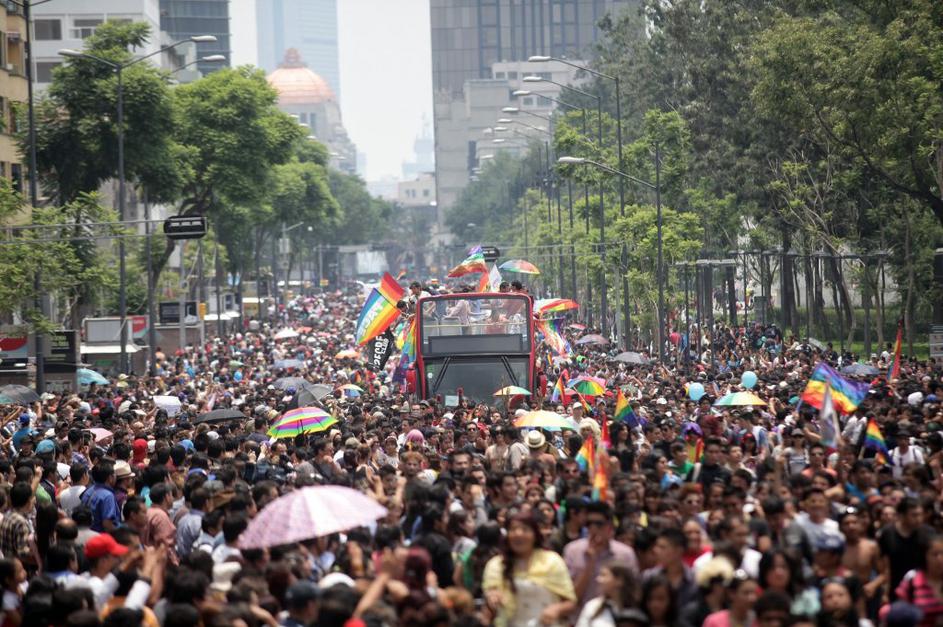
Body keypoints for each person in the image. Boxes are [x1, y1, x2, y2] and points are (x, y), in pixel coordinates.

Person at [482, 513, 577, 626]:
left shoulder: (552, 561)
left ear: (535, 535)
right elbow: (490, 594)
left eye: (525, 529)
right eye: (513, 530)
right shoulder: (496, 565)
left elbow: (570, 603)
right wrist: (492, 598)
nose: (518, 534)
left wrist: (556, 609)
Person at [564, 501, 639, 610]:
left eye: (599, 524)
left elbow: (633, 594)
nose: (593, 529)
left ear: (609, 526)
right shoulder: (572, 551)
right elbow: (570, 597)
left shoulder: (625, 554)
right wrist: (590, 564)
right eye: (589, 524)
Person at [574, 560, 638, 627]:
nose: (598, 579)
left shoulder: (635, 611)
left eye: (604, 575)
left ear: (619, 580)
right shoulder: (592, 606)